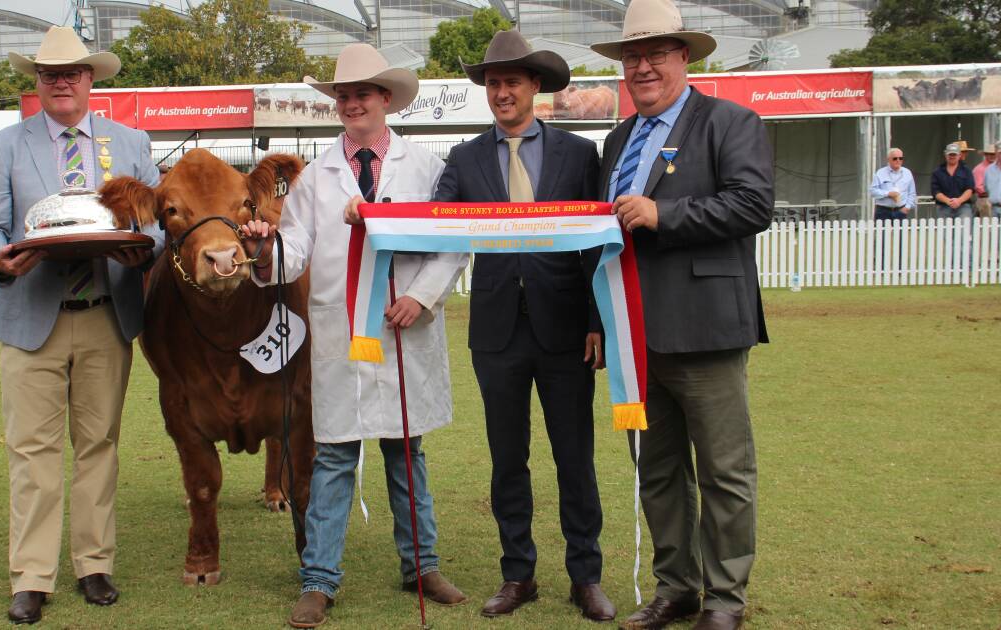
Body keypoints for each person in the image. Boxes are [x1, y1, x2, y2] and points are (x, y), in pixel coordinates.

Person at [241, 43, 468, 629]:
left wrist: (419, 295)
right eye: (343, 95)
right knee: (335, 456)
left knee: (406, 452)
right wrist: (264, 249)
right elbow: (293, 254)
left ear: (385, 99)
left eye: (362, 93)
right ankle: (318, 580)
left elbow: (452, 241)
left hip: (403, 332)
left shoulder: (426, 168)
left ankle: (422, 566)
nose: (351, 103)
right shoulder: (317, 177)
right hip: (342, 337)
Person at [0, 26, 161, 625]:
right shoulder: (4, 144)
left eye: (72, 72)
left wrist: (143, 248)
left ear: (90, 79)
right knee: (32, 453)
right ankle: (31, 575)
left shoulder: (130, 142)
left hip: (106, 317)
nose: (61, 81)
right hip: (31, 319)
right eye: (49, 74)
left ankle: (93, 564)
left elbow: (155, 222)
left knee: (99, 447)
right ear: (37, 82)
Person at [590, 0, 774, 628]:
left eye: (656, 55)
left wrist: (665, 213)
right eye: (632, 56)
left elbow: (752, 205)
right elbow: (604, 239)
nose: (642, 67)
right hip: (635, 335)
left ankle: (725, 600)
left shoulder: (731, 121)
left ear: (684, 59)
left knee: (724, 472)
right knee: (657, 470)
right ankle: (678, 587)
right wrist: (599, 319)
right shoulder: (617, 139)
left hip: (706, 329)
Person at [428, 29, 614, 622]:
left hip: (566, 331)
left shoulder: (580, 155)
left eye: (512, 81)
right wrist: (372, 216)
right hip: (496, 333)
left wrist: (596, 320)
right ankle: (518, 575)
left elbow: (596, 246)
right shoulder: (464, 158)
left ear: (536, 86)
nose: (501, 92)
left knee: (574, 458)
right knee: (508, 460)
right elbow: (431, 224)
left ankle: (585, 576)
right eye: (493, 83)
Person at [931, 143, 975, 220]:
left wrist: (959, 200)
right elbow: (936, 191)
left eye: (954, 154)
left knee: (963, 231)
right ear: (945, 155)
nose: (952, 156)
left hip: (963, 207)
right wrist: (948, 201)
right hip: (943, 207)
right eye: (950, 154)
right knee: (944, 231)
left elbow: (970, 190)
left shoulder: (966, 170)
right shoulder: (937, 172)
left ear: (959, 155)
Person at [870, 148, 916, 221]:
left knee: (901, 232)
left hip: (900, 210)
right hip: (883, 211)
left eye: (900, 158)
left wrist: (907, 207)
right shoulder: (880, 173)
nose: (898, 160)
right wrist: (888, 193)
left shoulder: (907, 173)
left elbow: (912, 193)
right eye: (895, 158)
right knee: (882, 232)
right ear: (888, 160)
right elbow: (872, 191)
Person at [973, 143, 995, 218]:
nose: (993, 156)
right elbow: (978, 187)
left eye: (994, 154)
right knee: (988, 225)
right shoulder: (979, 169)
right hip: (985, 199)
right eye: (990, 154)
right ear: (985, 155)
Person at [983, 142, 1001, 218]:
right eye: (1000, 152)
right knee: (993, 229)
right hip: (994, 208)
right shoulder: (989, 169)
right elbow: (986, 188)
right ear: (996, 152)